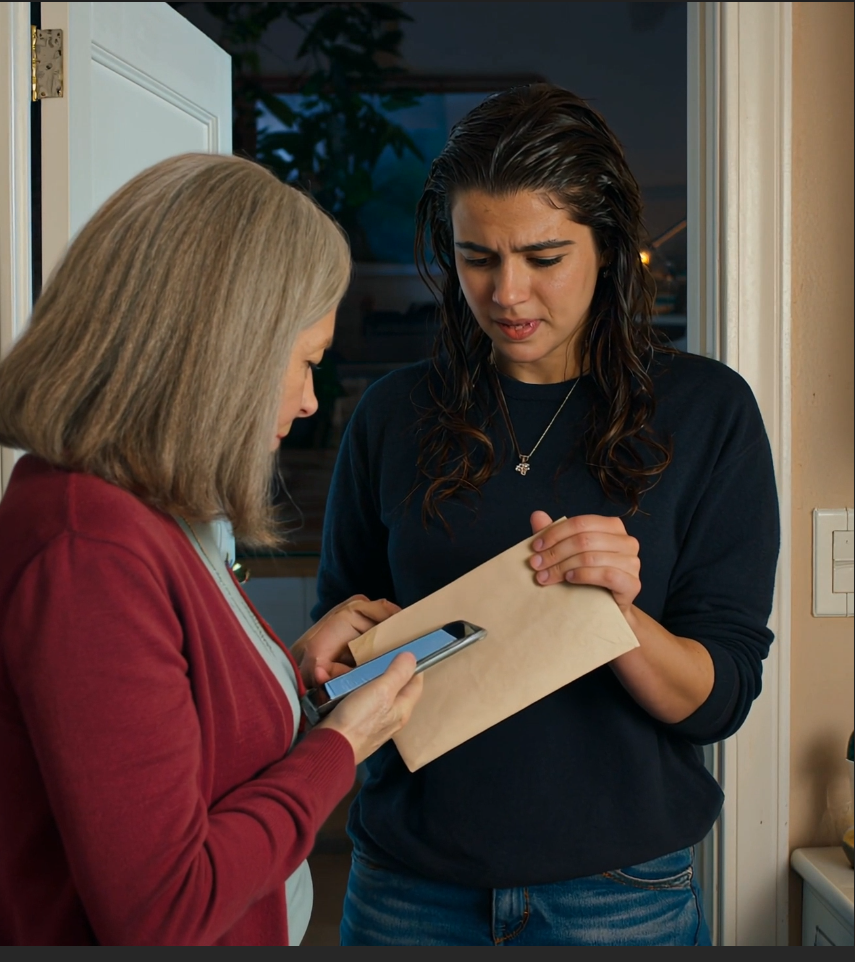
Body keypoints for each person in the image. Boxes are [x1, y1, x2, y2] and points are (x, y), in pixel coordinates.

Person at [309, 84, 779, 946]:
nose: (507, 293)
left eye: (543, 255)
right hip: (408, 888)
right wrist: (334, 666)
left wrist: (617, 618)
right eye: (476, 257)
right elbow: (335, 671)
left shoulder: (707, 412)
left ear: (607, 245)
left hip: (621, 894)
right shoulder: (390, 414)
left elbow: (722, 700)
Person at [0, 153, 422, 946]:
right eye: (306, 361)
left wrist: (297, 675)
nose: (311, 399)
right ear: (224, 352)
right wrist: (340, 747)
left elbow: (175, 734)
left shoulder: (145, 512)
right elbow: (162, 912)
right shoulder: (86, 555)